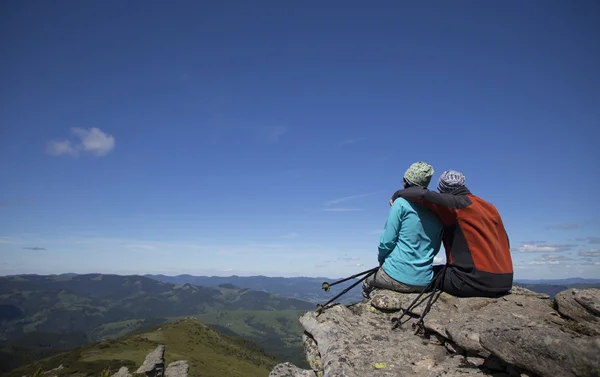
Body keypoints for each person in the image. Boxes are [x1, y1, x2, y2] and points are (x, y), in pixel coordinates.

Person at [390, 170, 513, 298]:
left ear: (442, 189)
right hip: (505, 281)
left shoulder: (456, 204)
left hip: (471, 281)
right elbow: (506, 241)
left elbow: (422, 194)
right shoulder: (490, 207)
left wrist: (398, 194)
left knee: (420, 275)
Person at [362, 162, 444, 298]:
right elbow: (434, 249)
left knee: (367, 283)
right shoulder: (437, 214)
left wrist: (382, 261)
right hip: (425, 281)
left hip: (395, 275)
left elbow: (387, 242)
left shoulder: (400, 204)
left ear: (406, 182)